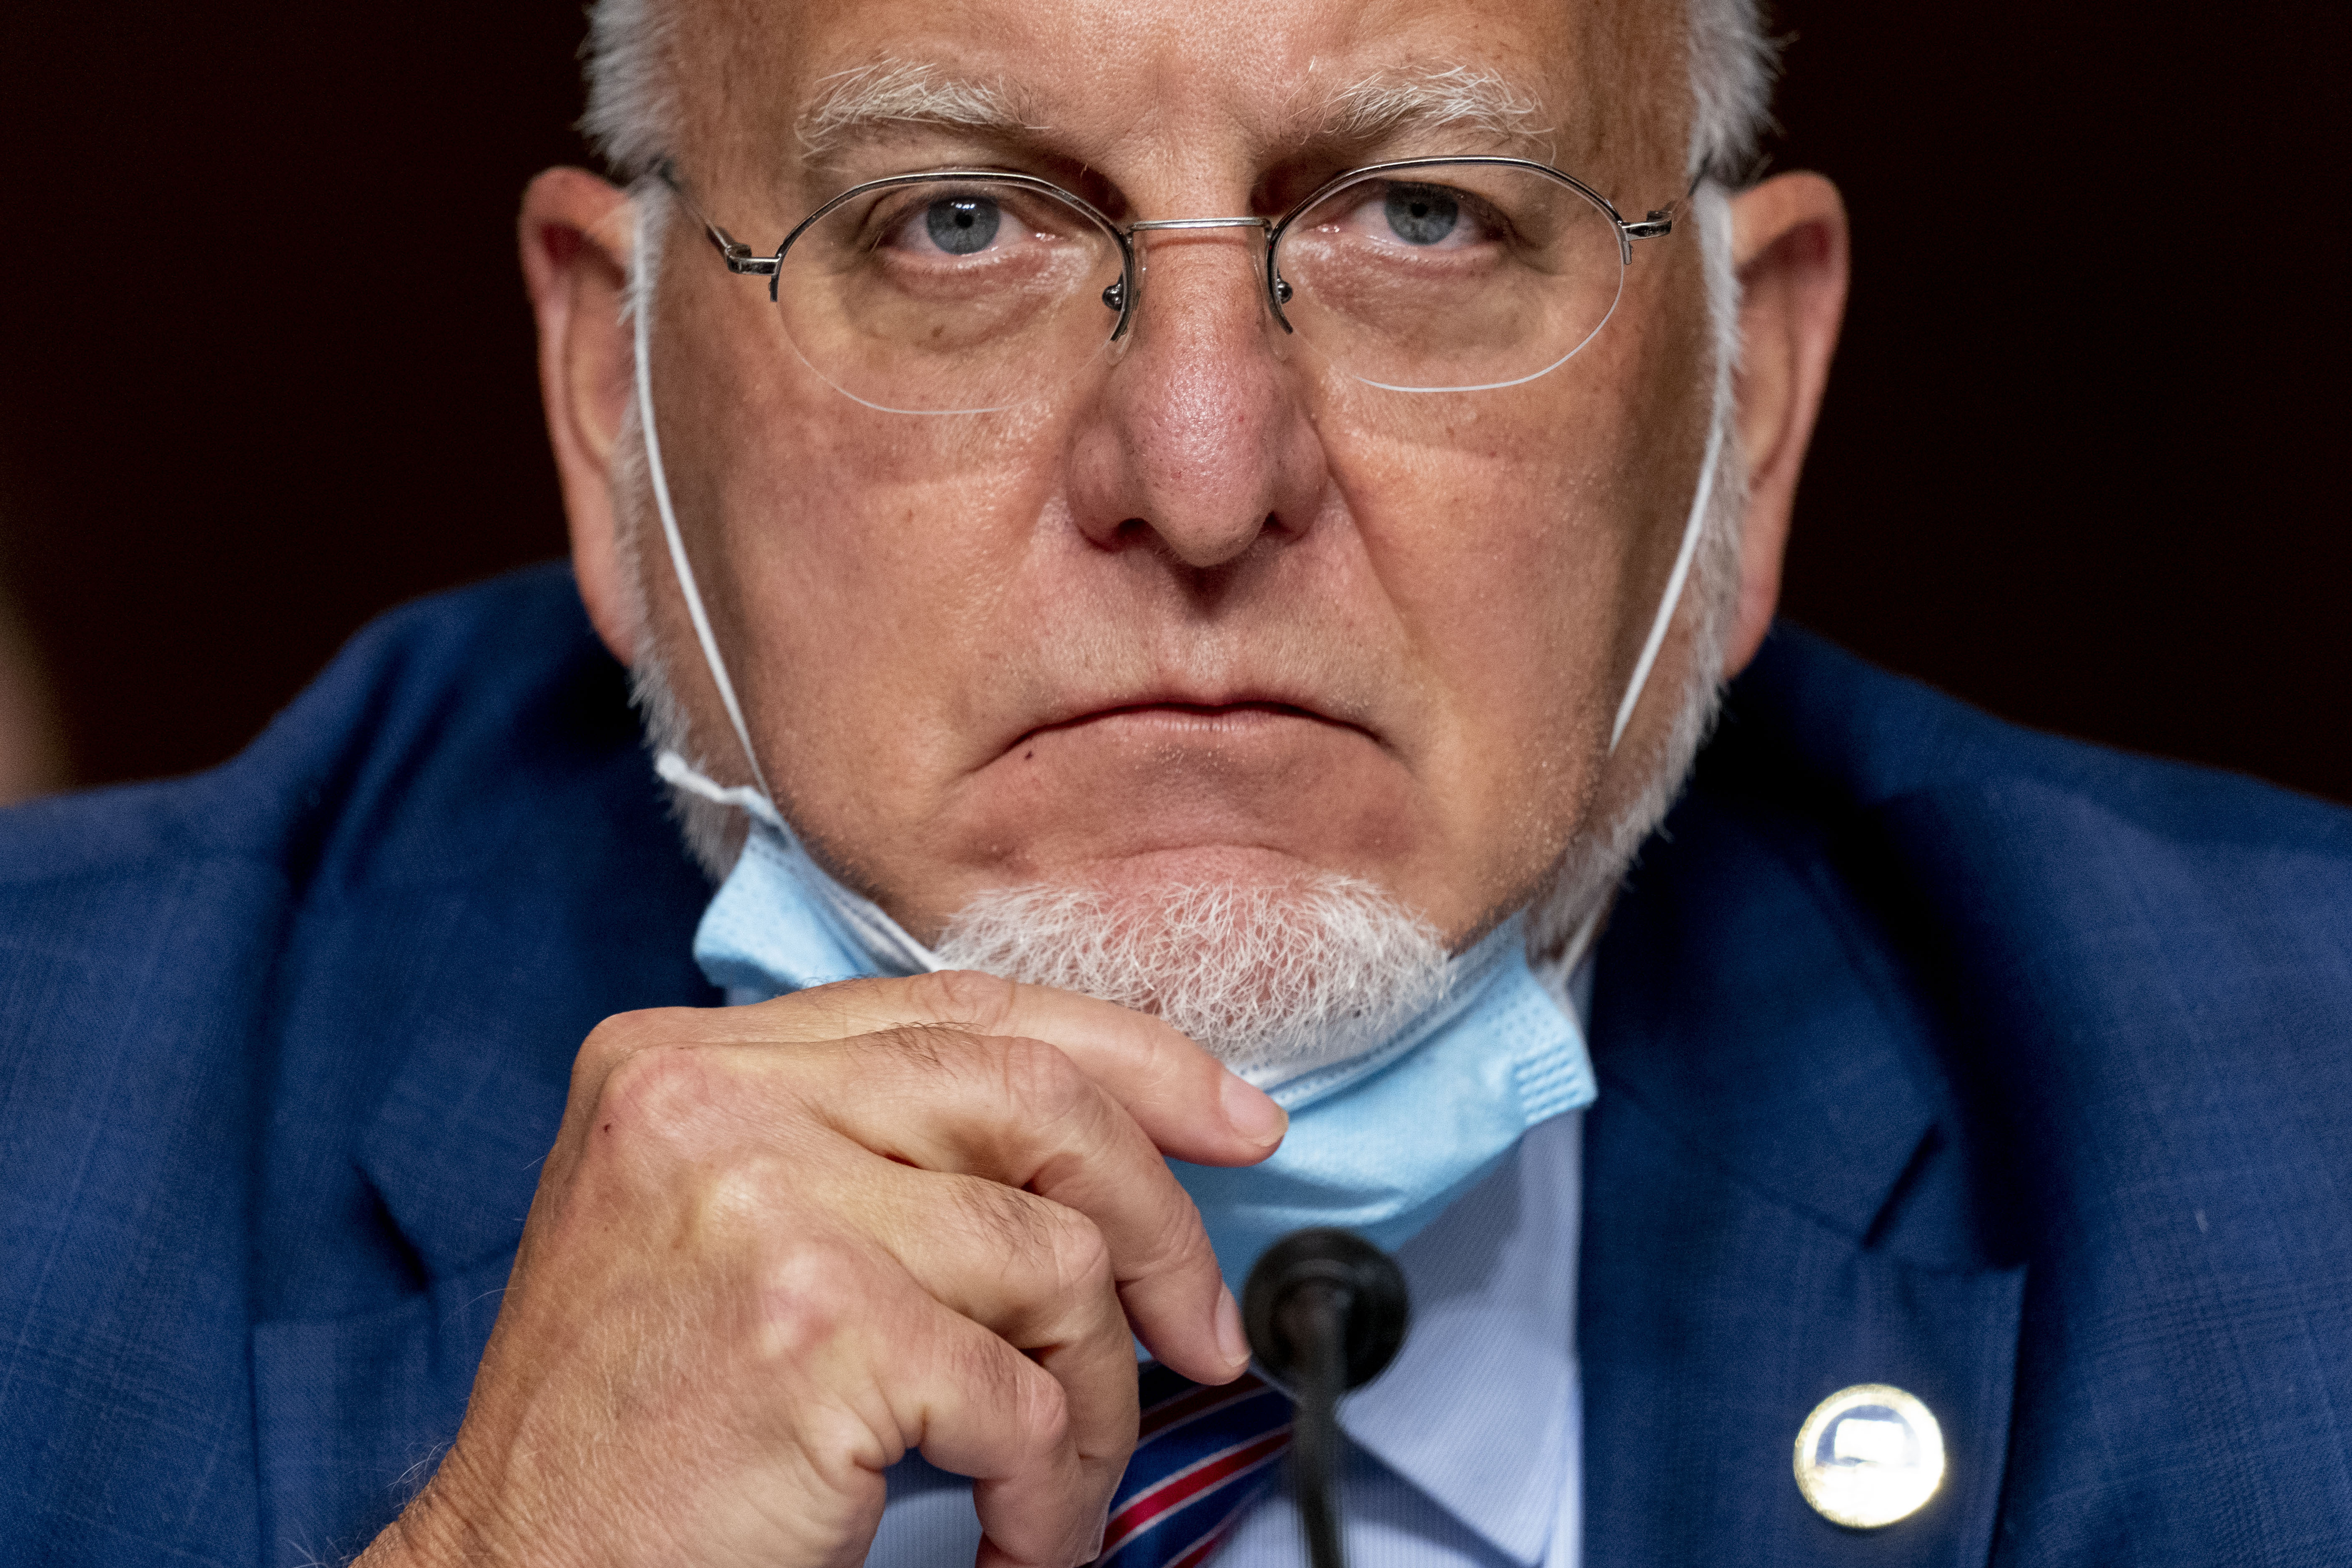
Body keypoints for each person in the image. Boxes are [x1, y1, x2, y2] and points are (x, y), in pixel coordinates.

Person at [2, 0, 2347, 1563]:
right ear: (618, 411)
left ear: (1747, 422)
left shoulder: (2297, 1149)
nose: (1206, 475)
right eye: (958, 221)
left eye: (1425, 215)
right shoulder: (48, 1141)